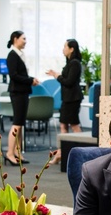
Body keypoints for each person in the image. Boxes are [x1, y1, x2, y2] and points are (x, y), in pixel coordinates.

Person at [46, 39, 83, 165]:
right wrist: (56, 75)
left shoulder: (75, 63)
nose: (63, 49)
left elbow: (69, 81)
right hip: (67, 99)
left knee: (74, 125)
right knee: (63, 125)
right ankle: (61, 154)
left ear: (71, 49)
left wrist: (57, 76)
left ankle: (83, 152)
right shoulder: (70, 63)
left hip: (73, 99)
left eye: (65, 46)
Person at [5, 31, 39, 165]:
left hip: (23, 92)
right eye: (23, 38)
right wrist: (30, 80)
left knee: (20, 124)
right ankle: (9, 153)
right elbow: (14, 76)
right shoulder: (12, 55)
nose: (25, 41)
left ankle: (17, 153)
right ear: (15, 39)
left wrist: (30, 81)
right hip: (17, 92)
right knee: (17, 123)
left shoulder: (20, 54)